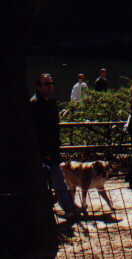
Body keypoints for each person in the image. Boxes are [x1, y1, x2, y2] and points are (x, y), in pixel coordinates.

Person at [30, 73, 78, 220]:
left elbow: (53, 129)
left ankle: (67, 207)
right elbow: (36, 131)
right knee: (55, 180)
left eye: (51, 84)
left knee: (57, 180)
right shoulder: (34, 105)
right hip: (42, 151)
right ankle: (68, 208)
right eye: (47, 84)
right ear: (38, 87)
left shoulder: (50, 103)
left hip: (52, 149)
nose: (50, 87)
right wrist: (44, 151)